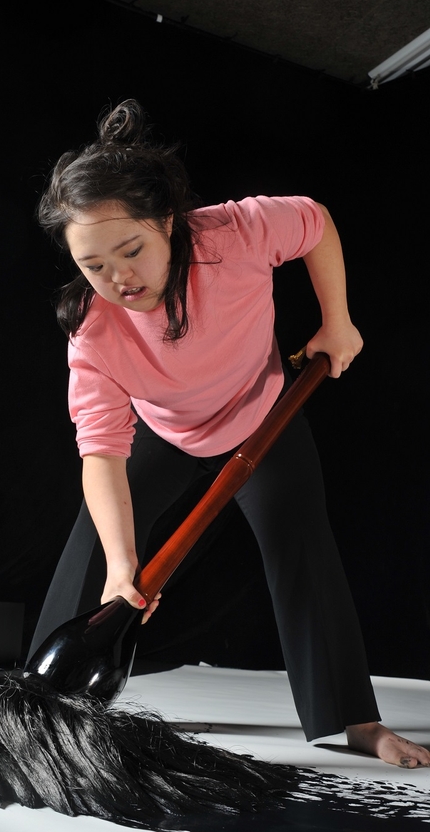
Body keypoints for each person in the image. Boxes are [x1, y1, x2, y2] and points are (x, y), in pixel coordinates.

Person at [30, 99, 429, 769]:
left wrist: (338, 321)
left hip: (260, 412)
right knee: (99, 548)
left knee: (301, 543)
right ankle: (45, 705)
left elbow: (315, 221)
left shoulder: (232, 235)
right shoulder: (93, 329)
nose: (120, 278)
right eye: (96, 266)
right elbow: (99, 451)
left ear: (166, 222)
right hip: (166, 429)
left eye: (132, 250)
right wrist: (125, 566)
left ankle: (356, 720)